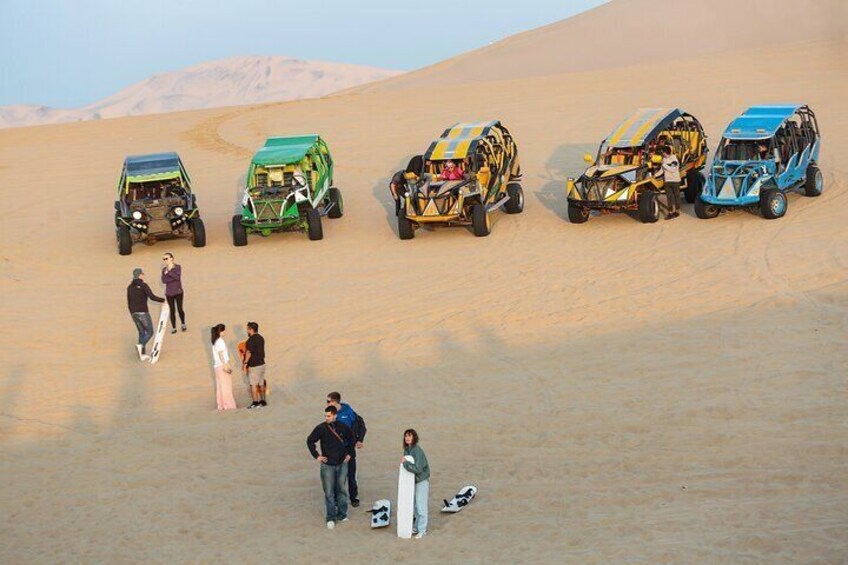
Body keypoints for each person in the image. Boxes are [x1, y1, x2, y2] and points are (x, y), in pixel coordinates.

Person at [307, 405, 355, 530]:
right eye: (325, 416)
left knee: (342, 490)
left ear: (335, 415)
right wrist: (317, 456)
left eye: (328, 416)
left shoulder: (343, 427)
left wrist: (350, 454)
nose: (326, 418)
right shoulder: (321, 428)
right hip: (327, 465)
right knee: (328, 492)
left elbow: (351, 439)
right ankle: (331, 517)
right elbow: (310, 440)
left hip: (342, 463)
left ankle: (342, 515)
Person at [326, 392, 367, 507]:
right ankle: (335, 499)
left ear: (335, 402)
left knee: (351, 474)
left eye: (328, 401)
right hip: (335, 450)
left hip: (348, 449)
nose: (326, 404)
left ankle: (354, 498)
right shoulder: (330, 413)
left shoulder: (349, 412)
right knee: (335, 475)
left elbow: (361, 425)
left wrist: (360, 440)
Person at [127, 268, 165, 361]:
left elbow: (129, 301)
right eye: (142, 273)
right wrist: (163, 300)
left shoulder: (130, 287)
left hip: (133, 313)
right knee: (150, 331)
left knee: (141, 332)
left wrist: (132, 312)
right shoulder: (143, 285)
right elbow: (152, 297)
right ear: (140, 275)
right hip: (143, 311)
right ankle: (141, 347)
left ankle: (142, 354)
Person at [402, 429, 430, 539]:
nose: (407, 438)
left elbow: (418, 468)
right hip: (413, 481)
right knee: (415, 505)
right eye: (406, 436)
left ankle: (422, 530)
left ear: (414, 437)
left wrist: (405, 464)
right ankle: (417, 527)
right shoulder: (407, 450)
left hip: (421, 480)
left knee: (421, 506)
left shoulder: (417, 450)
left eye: (410, 436)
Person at [211, 324, 237, 410]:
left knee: (220, 386)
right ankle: (228, 405)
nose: (225, 332)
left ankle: (221, 405)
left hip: (217, 366)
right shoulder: (220, 341)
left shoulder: (215, 341)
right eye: (224, 330)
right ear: (220, 331)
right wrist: (225, 365)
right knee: (226, 386)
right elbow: (221, 353)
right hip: (222, 365)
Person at [243, 322, 267, 409]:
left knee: (253, 384)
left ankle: (255, 402)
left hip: (254, 366)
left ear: (251, 329)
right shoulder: (261, 338)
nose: (247, 331)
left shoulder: (250, 340)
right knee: (261, 383)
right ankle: (263, 401)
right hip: (262, 364)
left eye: (247, 329)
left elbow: (249, 352)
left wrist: (245, 363)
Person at [161, 253, 186, 334]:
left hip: (178, 291)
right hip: (169, 293)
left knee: (180, 309)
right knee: (172, 310)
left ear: (172, 258)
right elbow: (164, 281)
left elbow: (177, 277)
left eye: (166, 258)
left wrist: (168, 272)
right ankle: (174, 327)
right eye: (164, 259)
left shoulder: (177, 267)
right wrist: (171, 276)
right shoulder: (163, 269)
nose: (165, 260)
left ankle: (183, 323)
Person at [659, 146, 681, 219]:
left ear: (666, 152)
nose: (662, 154)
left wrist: (664, 164)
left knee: (676, 196)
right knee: (669, 197)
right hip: (667, 181)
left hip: (675, 181)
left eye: (663, 152)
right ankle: (670, 212)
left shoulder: (674, 160)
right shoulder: (664, 159)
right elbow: (662, 170)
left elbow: (672, 169)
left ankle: (677, 211)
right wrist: (654, 175)